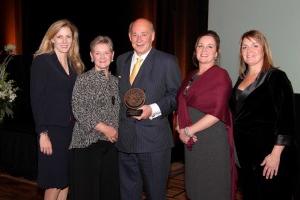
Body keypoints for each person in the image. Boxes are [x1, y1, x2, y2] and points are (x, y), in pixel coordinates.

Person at [116, 18, 181, 200]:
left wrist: (152, 109)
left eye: (144, 34)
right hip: (125, 141)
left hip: (154, 144)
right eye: (135, 34)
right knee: (127, 195)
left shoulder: (167, 61)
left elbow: (176, 96)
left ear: (152, 36)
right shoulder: (121, 60)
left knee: (155, 195)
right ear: (129, 37)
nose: (139, 39)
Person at [229, 30, 296, 200]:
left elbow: (286, 119)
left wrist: (275, 155)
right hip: (244, 155)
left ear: (264, 49)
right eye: (244, 46)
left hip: (268, 155)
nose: (249, 50)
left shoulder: (276, 77)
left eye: (254, 45)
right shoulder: (241, 78)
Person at [176, 30, 237, 200]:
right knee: (195, 188)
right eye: (200, 46)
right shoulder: (191, 76)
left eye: (210, 46)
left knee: (213, 188)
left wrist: (188, 130)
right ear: (195, 50)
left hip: (212, 142)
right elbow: (180, 106)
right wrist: (180, 130)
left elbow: (217, 113)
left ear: (216, 52)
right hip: (193, 142)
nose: (204, 50)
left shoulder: (221, 75)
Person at [30, 19, 84, 200]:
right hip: (51, 131)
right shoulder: (42, 62)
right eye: (59, 36)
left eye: (68, 36)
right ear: (51, 39)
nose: (64, 41)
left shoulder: (74, 65)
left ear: (73, 40)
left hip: (71, 131)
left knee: (65, 181)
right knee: (53, 183)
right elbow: (37, 100)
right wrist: (42, 133)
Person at [68, 35, 120, 200]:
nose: (102, 57)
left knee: (108, 192)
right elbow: (79, 109)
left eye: (106, 53)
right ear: (91, 56)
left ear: (112, 55)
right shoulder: (83, 79)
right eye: (98, 53)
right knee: (87, 193)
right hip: (87, 144)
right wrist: (106, 129)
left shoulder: (117, 81)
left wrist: (116, 132)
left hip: (111, 145)